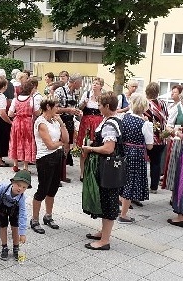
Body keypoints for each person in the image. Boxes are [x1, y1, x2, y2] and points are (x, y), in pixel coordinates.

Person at [82, 91, 122, 250]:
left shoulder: (110, 124)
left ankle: (104, 240)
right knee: (106, 200)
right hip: (110, 167)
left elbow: (108, 148)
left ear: (107, 106)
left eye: (99, 105)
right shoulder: (112, 119)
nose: (97, 107)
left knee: (108, 202)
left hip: (108, 168)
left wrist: (89, 148)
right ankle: (103, 232)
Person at [31, 95, 69, 234]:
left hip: (57, 156)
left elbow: (66, 139)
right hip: (45, 158)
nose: (58, 109)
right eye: (56, 107)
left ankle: (48, 216)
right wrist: (61, 143)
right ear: (48, 107)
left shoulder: (54, 120)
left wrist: (62, 123)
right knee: (43, 189)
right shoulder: (41, 123)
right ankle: (34, 219)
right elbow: (50, 145)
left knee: (53, 189)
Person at [118, 93, 154, 224]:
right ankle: (123, 215)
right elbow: (150, 146)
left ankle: (119, 204)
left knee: (121, 178)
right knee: (130, 182)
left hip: (123, 151)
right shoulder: (145, 124)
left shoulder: (124, 117)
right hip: (136, 154)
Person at [0, 170, 31, 261]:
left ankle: (16, 248)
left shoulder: (21, 198)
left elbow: (23, 215)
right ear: (13, 182)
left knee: (15, 228)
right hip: (2, 208)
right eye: (18, 185)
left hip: (14, 210)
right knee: (3, 227)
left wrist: (22, 233)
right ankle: (4, 247)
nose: (20, 189)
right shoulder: (3, 187)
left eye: (24, 187)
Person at [54, 73, 82, 182]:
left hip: (70, 121)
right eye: (79, 83)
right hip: (60, 121)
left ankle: (62, 173)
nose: (80, 86)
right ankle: (57, 175)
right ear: (75, 83)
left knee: (67, 147)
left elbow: (74, 106)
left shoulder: (75, 92)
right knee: (59, 146)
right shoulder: (60, 91)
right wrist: (69, 110)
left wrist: (77, 111)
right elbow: (55, 109)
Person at [8, 80, 40, 172]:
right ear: (30, 89)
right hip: (28, 122)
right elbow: (37, 112)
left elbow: (10, 113)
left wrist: (17, 114)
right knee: (27, 142)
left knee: (15, 141)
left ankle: (15, 164)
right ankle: (25, 166)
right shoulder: (31, 100)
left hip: (17, 122)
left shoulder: (15, 99)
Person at [77, 77, 104, 181]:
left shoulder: (103, 97)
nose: (94, 85)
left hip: (98, 123)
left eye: (97, 83)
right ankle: (82, 173)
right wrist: (84, 103)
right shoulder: (87, 94)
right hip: (86, 122)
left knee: (96, 146)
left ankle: (94, 172)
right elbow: (80, 107)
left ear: (101, 86)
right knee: (84, 146)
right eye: (94, 83)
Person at [144, 82, 168, 194]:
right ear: (158, 92)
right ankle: (154, 187)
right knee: (156, 162)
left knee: (143, 162)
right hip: (162, 137)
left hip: (149, 138)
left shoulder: (145, 104)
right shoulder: (163, 103)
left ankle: (142, 185)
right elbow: (166, 117)